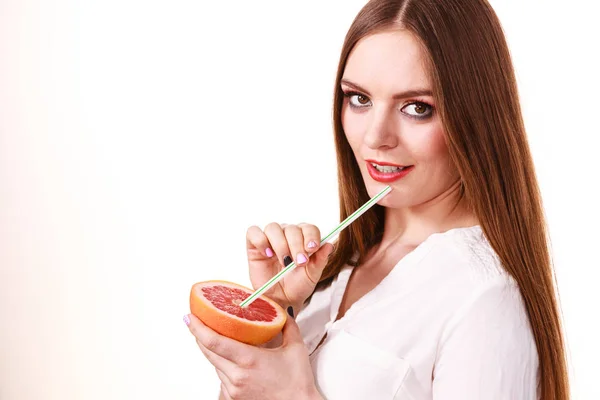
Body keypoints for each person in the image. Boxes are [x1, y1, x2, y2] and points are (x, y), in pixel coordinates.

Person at [184, 0, 570, 399]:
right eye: (359, 99)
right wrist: (277, 317)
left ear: (475, 116)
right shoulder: (339, 264)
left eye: (417, 108)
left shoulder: (484, 299)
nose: (375, 137)